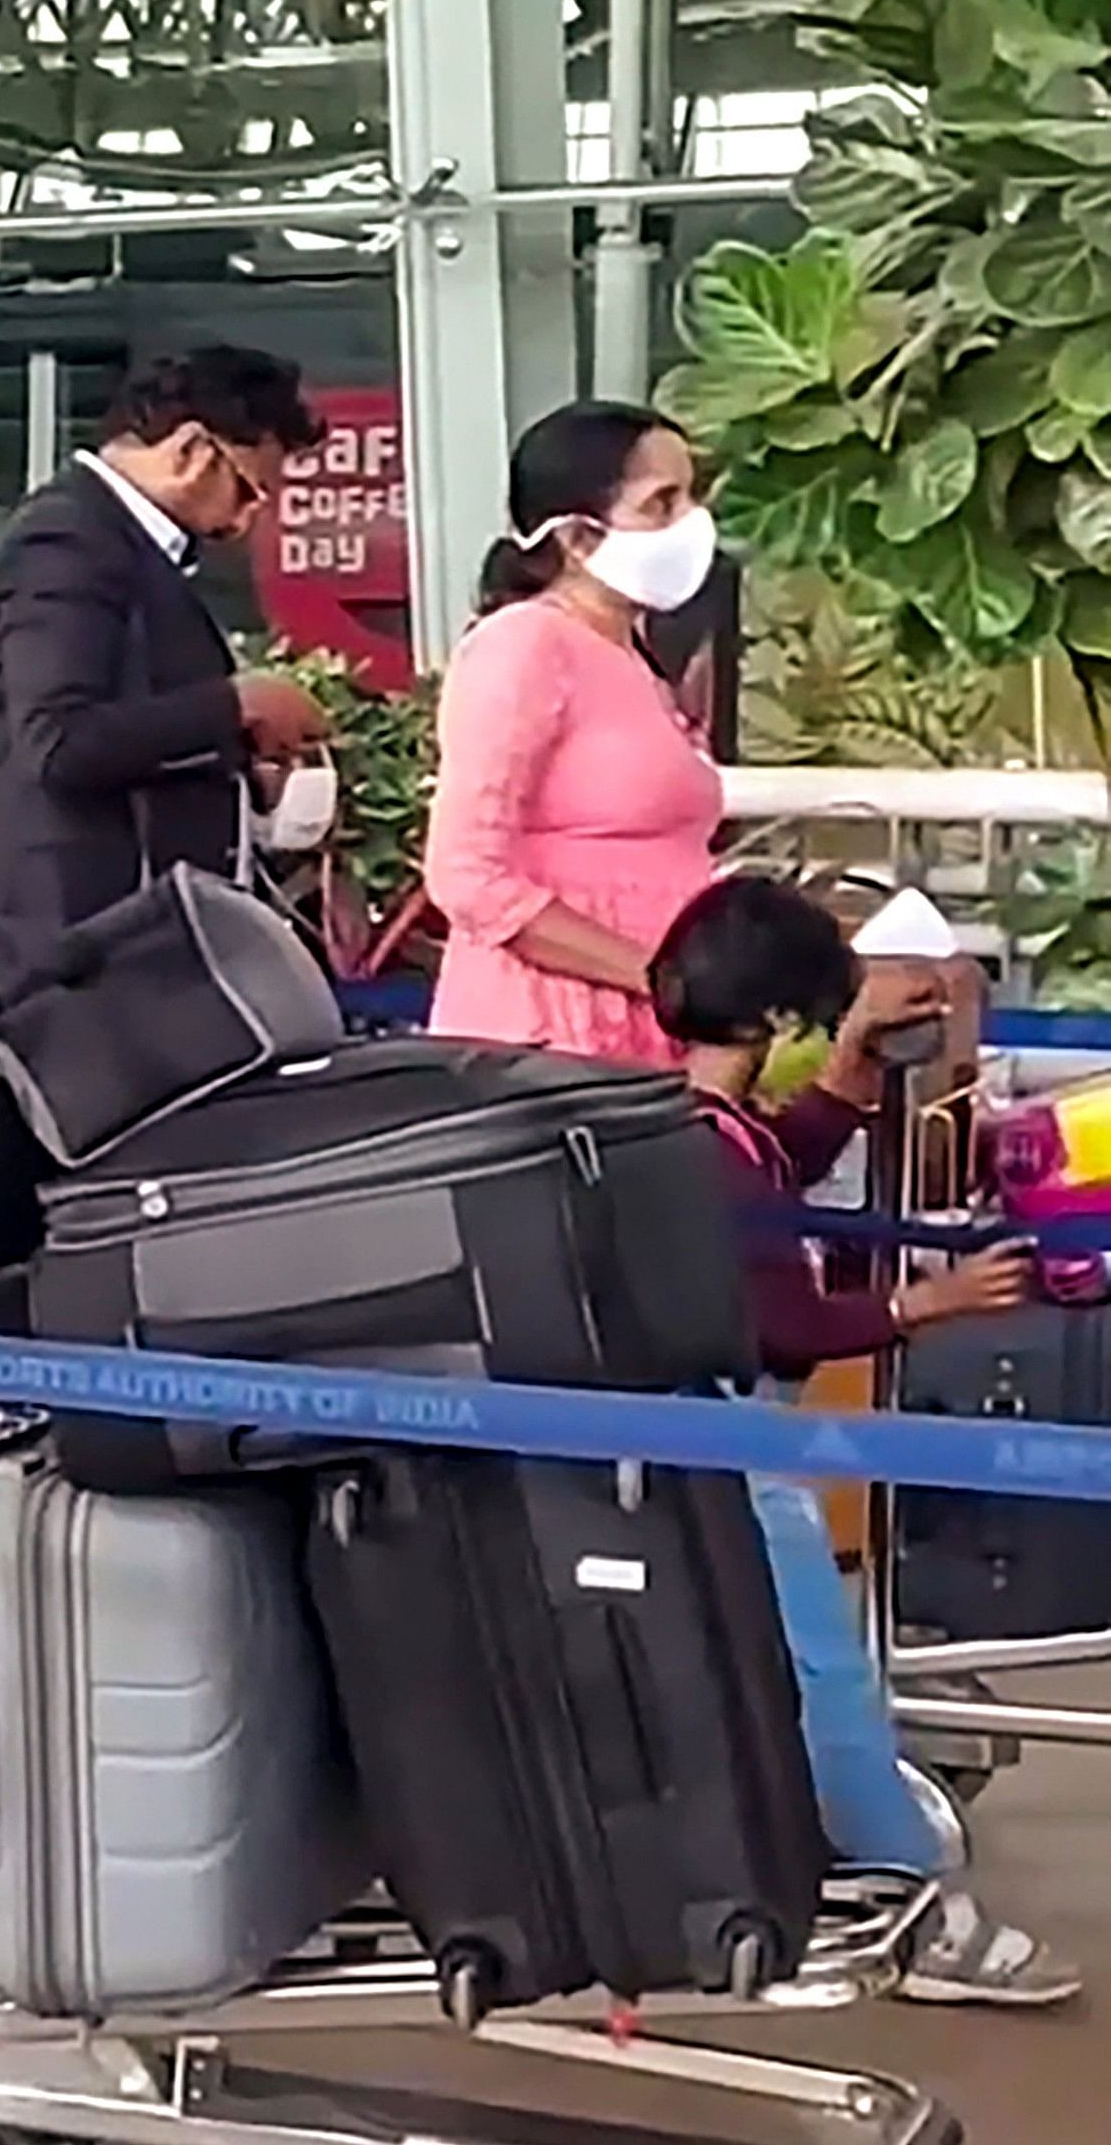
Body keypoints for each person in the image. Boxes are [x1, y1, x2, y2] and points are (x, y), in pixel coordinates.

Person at [651, 876, 1081, 2008]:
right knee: (828, 1676)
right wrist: (932, 1302)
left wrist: (848, 1073)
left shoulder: (685, 1121)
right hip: (732, 1436)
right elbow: (782, 1318)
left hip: (701, 1429)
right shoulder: (715, 1152)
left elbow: (776, 1161)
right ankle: (919, 1905)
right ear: (777, 1024)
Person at [0, 347, 334, 1005]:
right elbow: (60, 740)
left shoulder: (113, 542)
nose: (244, 523)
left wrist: (237, 765)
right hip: (67, 941)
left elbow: (128, 722)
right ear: (191, 450)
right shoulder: (66, 540)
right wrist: (233, 704)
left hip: (113, 934)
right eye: (246, 490)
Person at [423, 402, 726, 1069]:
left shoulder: (633, 656)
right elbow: (466, 874)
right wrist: (656, 977)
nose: (691, 523)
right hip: (553, 1036)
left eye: (693, 495)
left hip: (649, 1029)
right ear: (577, 540)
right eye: (661, 503)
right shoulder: (524, 645)